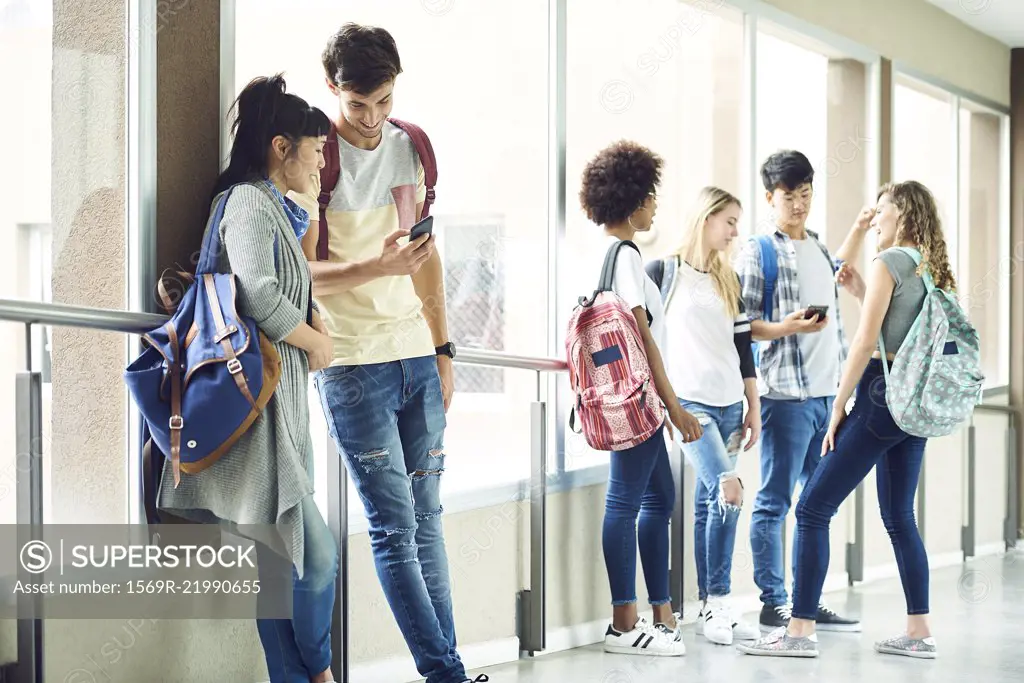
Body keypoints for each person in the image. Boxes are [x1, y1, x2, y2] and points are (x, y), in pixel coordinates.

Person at [288, 23, 487, 683]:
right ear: (333, 92)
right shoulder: (317, 157)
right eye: (357, 106)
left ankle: (445, 671)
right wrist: (377, 264)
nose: (372, 119)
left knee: (428, 520)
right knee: (393, 526)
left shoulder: (414, 148)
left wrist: (444, 349)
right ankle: (448, 673)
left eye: (383, 101)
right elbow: (299, 272)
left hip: (414, 360)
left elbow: (423, 259)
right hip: (350, 365)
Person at [157, 74, 339, 682]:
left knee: (277, 567)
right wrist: (314, 341)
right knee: (317, 559)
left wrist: (310, 203)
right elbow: (259, 289)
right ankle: (319, 673)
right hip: (257, 415)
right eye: (314, 151)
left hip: (269, 408)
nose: (322, 163)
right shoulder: (248, 201)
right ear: (281, 147)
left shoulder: (267, 203)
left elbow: (295, 270)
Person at [738, 180, 953, 659]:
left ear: (903, 216)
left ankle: (799, 631)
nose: (874, 219)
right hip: (911, 402)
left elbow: (863, 343)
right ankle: (919, 632)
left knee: (813, 508)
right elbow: (898, 333)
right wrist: (860, 292)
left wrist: (839, 404)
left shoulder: (888, 260)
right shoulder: (928, 266)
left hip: (879, 397)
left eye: (882, 212)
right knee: (900, 517)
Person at [577, 140, 703, 657]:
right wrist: (673, 406)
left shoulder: (605, 255)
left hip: (628, 398)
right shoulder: (625, 257)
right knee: (626, 501)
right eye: (651, 196)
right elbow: (643, 338)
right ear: (632, 201)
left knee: (658, 499)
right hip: (638, 400)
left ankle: (661, 611)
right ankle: (624, 625)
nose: (655, 206)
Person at [737, 150, 869, 632]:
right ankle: (776, 602)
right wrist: (784, 327)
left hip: (825, 399)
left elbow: (839, 279)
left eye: (806, 194)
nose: (798, 205)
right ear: (769, 197)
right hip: (784, 398)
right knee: (775, 502)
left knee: (817, 505)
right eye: (789, 196)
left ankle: (808, 602)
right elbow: (744, 326)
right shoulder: (758, 250)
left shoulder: (816, 245)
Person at [645, 186, 761, 646]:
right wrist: (663, 404)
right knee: (729, 491)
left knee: (708, 504)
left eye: (736, 222)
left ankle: (707, 607)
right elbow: (646, 340)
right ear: (706, 218)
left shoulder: (730, 279)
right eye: (729, 221)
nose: (734, 231)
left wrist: (754, 406)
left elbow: (744, 350)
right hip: (689, 405)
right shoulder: (664, 273)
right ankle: (720, 600)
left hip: (731, 403)